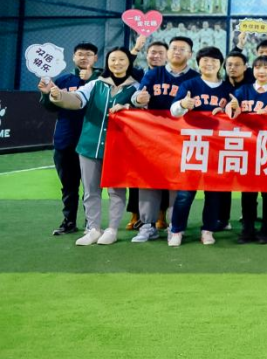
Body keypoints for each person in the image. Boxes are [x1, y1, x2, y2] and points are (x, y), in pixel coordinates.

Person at [41, 47, 139, 247]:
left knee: (116, 191)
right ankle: (93, 229)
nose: (117, 63)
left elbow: (142, 110)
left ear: (129, 63)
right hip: (89, 146)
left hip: (119, 148)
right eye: (113, 59)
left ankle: (112, 229)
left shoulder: (136, 88)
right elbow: (77, 100)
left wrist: (133, 105)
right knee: (90, 190)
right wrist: (58, 95)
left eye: (122, 59)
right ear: (107, 62)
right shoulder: (95, 84)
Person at [130, 36, 199, 242]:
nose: (177, 52)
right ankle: (147, 225)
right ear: (168, 52)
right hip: (153, 136)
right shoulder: (154, 74)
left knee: (177, 182)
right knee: (148, 180)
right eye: (174, 48)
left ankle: (173, 226)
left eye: (182, 49)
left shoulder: (195, 78)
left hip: (183, 138)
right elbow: (138, 97)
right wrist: (138, 99)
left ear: (190, 54)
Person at [167, 47, 234, 247]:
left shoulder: (227, 88)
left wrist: (228, 110)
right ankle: (176, 230)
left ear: (220, 64)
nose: (209, 64)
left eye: (214, 60)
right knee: (185, 193)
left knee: (213, 193)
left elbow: (235, 113)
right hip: (193, 145)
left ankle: (208, 230)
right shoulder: (189, 84)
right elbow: (173, 111)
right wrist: (183, 104)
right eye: (205, 60)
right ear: (198, 63)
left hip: (218, 147)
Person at [38, 41, 98, 236]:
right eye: (80, 54)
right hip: (65, 140)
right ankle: (69, 221)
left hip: (92, 141)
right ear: (73, 57)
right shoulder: (63, 80)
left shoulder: (102, 80)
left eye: (88, 54)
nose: (84, 57)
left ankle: (92, 223)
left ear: (95, 58)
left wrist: (93, 78)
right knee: (69, 185)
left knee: (91, 187)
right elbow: (50, 107)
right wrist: (46, 94)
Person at [226, 55, 267, 244]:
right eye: (258, 67)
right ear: (253, 70)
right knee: (248, 192)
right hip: (247, 148)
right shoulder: (242, 90)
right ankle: (248, 229)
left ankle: (266, 229)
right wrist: (231, 108)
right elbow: (231, 113)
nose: (261, 71)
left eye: (266, 67)